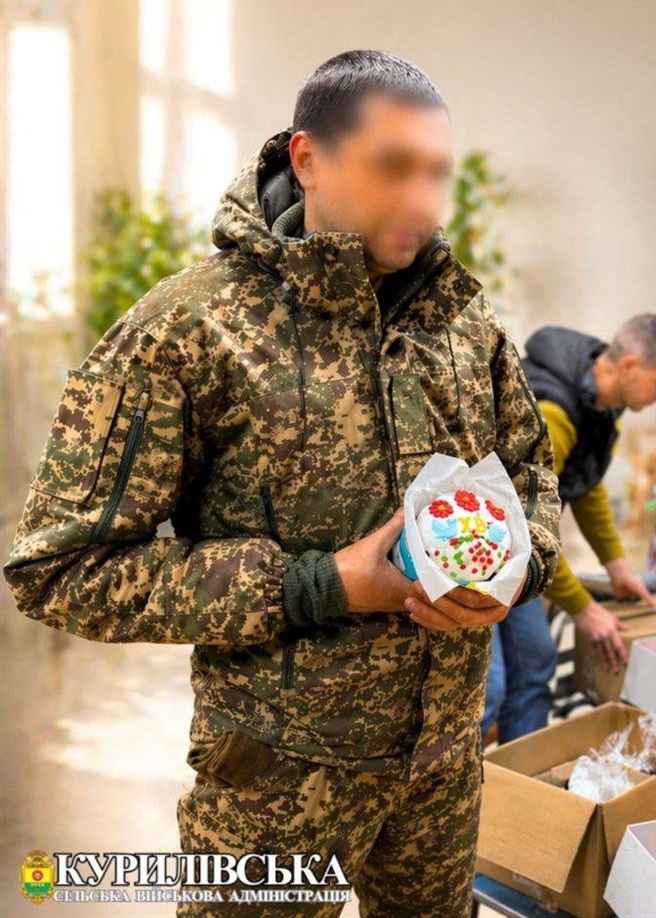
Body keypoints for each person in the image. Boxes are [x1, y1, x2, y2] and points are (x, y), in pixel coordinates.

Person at [4, 50, 562, 918]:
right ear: (307, 159)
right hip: (277, 782)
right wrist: (320, 584)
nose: (421, 198)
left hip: (442, 768)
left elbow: (531, 469)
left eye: (435, 172)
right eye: (393, 166)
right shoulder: (189, 329)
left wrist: (518, 569)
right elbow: (58, 571)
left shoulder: (460, 316)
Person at [482, 315, 656, 742]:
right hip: (481, 549)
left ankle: (523, 784)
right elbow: (521, 524)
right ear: (628, 366)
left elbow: (583, 484)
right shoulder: (554, 411)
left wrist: (617, 568)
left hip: (514, 554)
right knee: (488, 690)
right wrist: (583, 608)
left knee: (537, 663)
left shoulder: (600, 401)